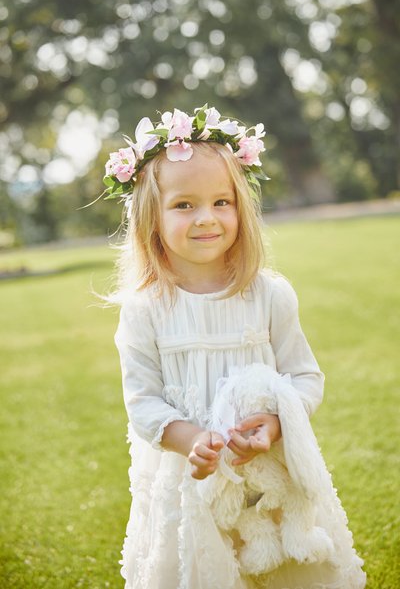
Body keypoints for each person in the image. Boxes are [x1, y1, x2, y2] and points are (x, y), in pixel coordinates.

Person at [104, 105, 366, 589]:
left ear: (241, 207)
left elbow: (305, 377)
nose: (207, 218)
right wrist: (192, 442)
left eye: (221, 202)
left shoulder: (269, 294)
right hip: (192, 479)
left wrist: (274, 424)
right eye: (184, 205)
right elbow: (141, 402)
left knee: (285, 570)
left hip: (270, 470)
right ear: (151, 218)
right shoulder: (146, 309)